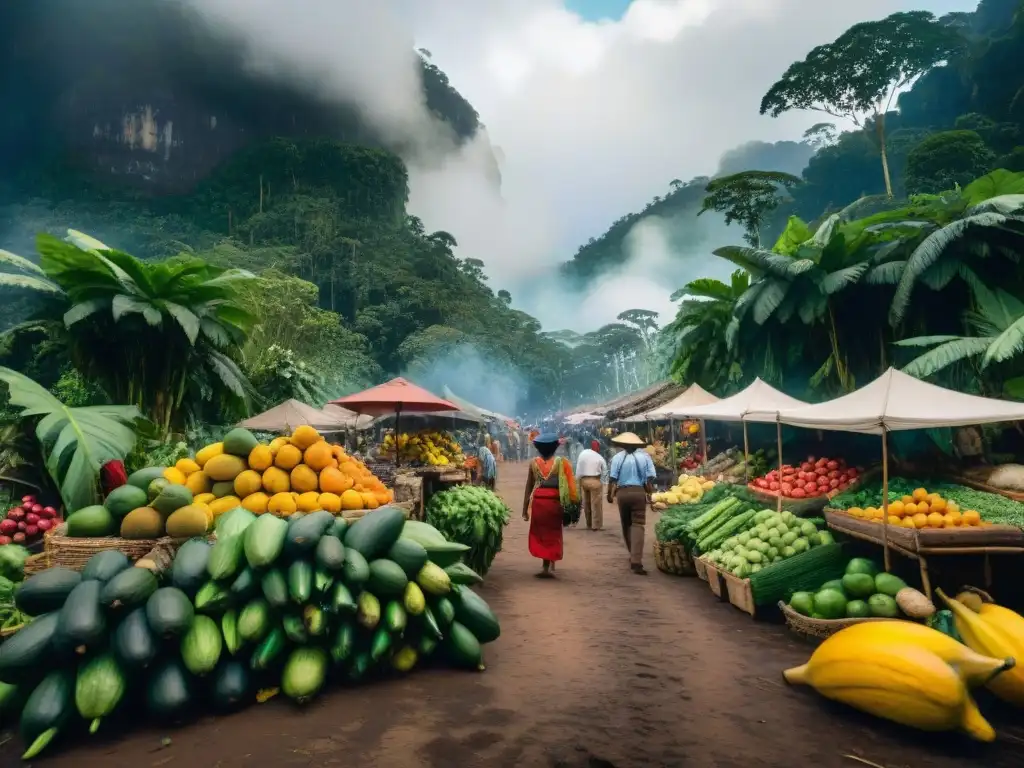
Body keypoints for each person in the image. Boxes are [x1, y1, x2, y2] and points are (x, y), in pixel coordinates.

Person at [522, 433, 579, 578]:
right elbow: (572, 487)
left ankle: (545, 565)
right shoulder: (562, 463)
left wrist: (525, 509)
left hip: (538, 503)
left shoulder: (534, 463)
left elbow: (529, 487)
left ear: (539, 449)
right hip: (555, 503)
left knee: (541, 534)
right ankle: (550, 562)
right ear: (555, 448)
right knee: (553, 533)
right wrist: (574, 505)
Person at [606, 431, 656, 575]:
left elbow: (613, 478)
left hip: (622, 494)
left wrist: (609, 494)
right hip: (639, 493)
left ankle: (631, 553)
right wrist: (650, 493)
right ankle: (636, 561)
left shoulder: (617, 458)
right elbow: (650, 478)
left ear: (622, 445)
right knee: (638, 525)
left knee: (626, 524)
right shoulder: (645, 457)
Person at [575, 440, 607, 531]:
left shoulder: (583, 453)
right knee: (596, 504)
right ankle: (595, 525)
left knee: (586, 503)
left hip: (583, 480)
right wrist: (603, 482)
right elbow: (605, 471)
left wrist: (578, 480)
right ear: (598, 447)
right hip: (595, 480)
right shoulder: (600, 457)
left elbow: (578, 467)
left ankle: (588, 524)